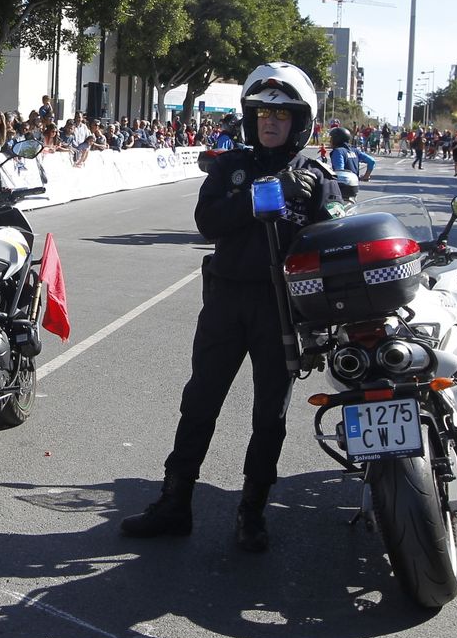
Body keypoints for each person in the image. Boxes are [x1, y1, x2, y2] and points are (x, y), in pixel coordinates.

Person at [121, 61, 341, 552]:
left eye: (282, 115)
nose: (269, 122)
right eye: (262, 112)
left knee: (269, 417)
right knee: (199, 402)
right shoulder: (228, 166)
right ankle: (175, 501)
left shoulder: (315, 175)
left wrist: (315, 207)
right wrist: (261, 196)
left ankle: (252, 511)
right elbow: (208, 223)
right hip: (226, 301)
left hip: (280, 309)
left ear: (299, 122)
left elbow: (332, 242)